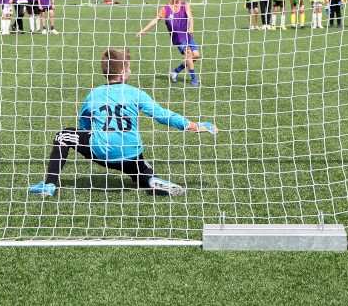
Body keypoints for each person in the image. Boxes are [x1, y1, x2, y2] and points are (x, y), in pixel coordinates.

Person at [28, 48, 218, 198]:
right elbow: (162, 115)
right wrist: (194, 125)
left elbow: (84, 124)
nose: (131, 71)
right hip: (130, 152)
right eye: (129, 68)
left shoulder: (94, 94)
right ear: (121, 73)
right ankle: (151, 179)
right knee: (140, 170)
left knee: (63, 135)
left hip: (102, 151)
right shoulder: (135, 93)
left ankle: (49, 184)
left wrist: (87, 139)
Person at [136, 0, 202, 87]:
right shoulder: (166, 8)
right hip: (177, 36)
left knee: (196, 55)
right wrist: (143, 30)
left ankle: (176, 70)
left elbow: (190, 16)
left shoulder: (185, 4)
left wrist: (191, 27)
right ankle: (194, 79)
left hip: (186, 34)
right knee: (189, 53)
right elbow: (156, 20)